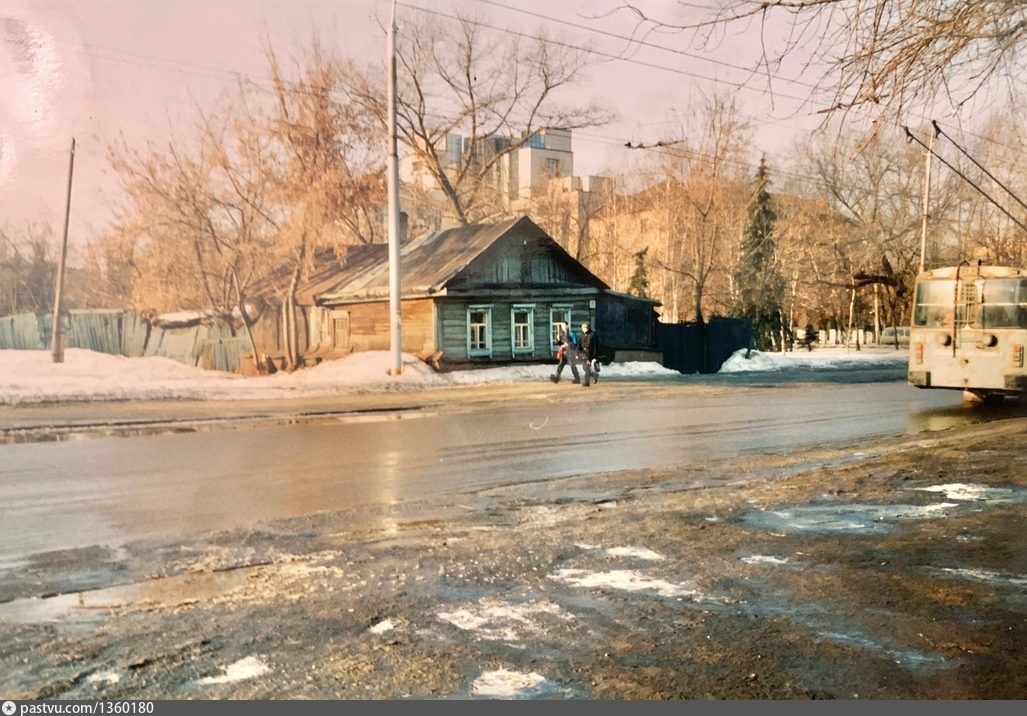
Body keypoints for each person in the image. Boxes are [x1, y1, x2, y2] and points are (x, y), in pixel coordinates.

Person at [577, 321, 599, 386]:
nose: (582, 329)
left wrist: (595, 357)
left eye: (584, 328)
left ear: (587, 328)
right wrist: (578, 353)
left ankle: (586, 382)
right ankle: (595, 375)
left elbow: (595, 346)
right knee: (585, 368)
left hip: (590, 354)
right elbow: (579, 345)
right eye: (582, 328)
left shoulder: (593, 335)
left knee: (587, 368)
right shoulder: (581, 335)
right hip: (583, 354)